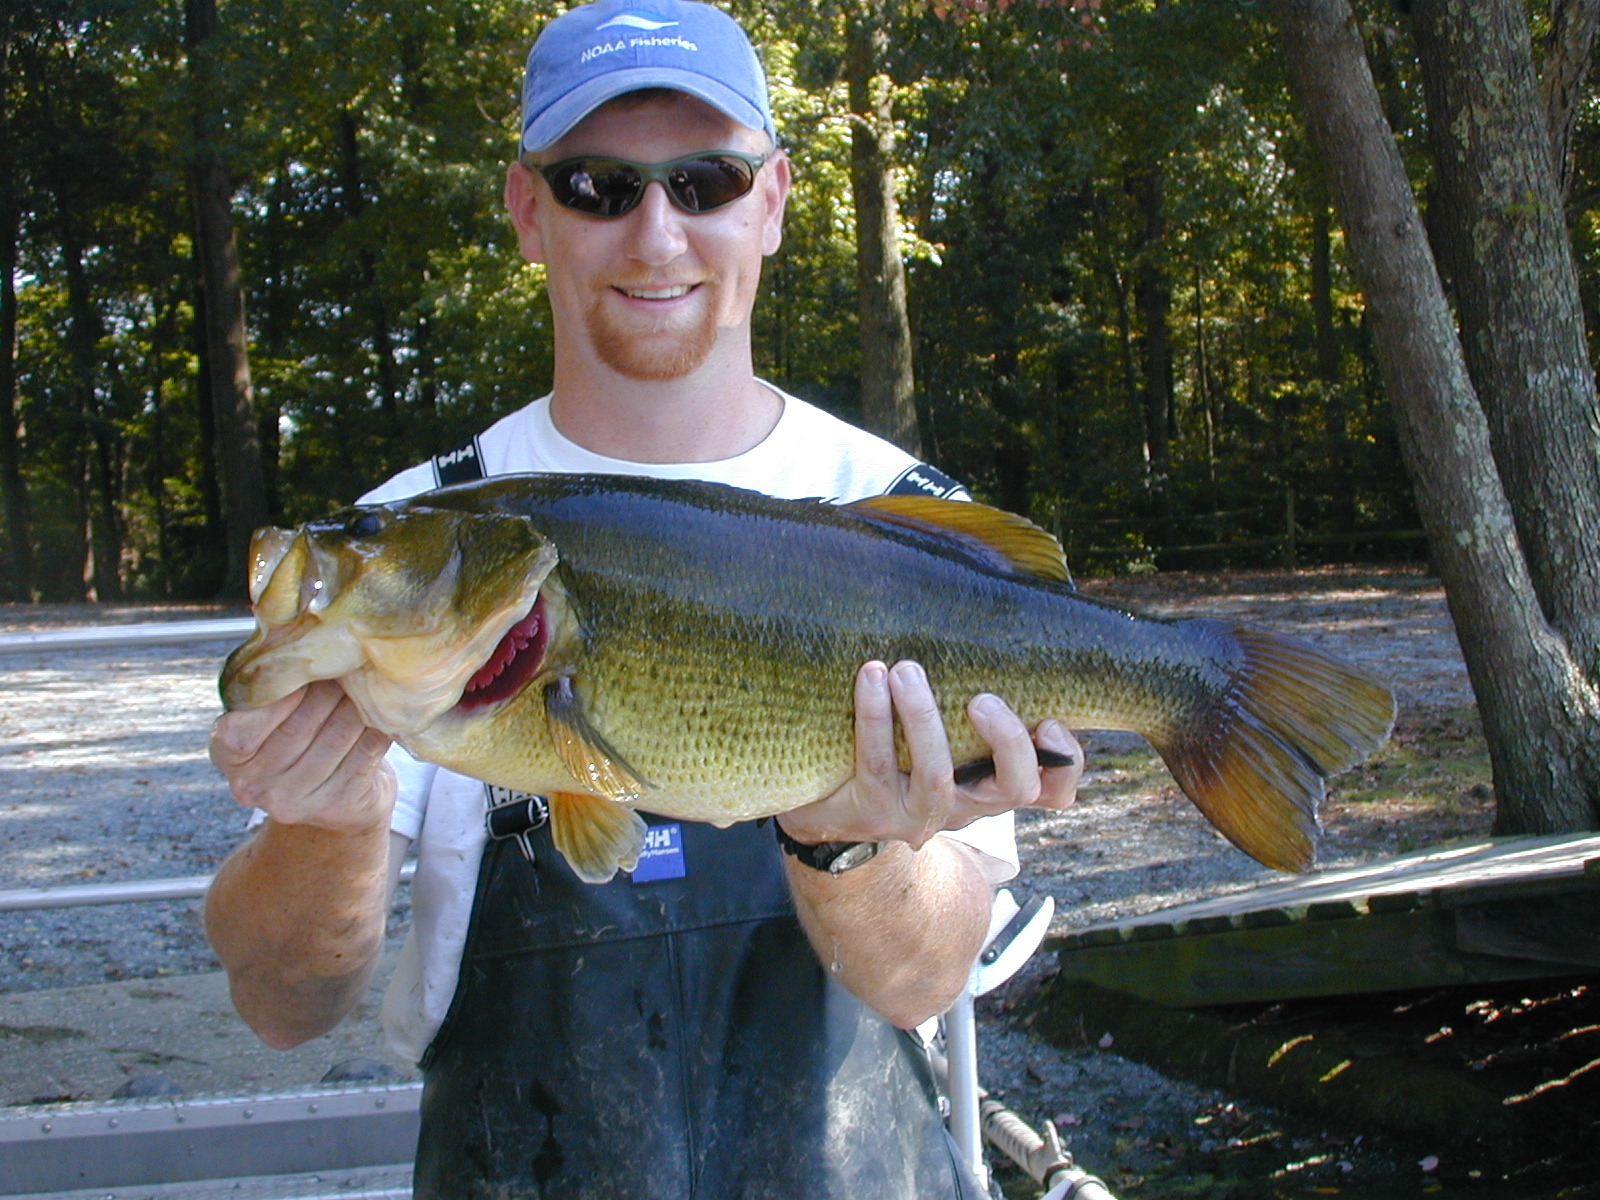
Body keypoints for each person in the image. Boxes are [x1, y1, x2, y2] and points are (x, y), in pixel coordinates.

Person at [205, 2, 1082, 1196]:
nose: (656, 234)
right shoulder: (423, 525)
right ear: (529, 211)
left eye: (705, 180)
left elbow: (924, 981)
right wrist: (330, 818)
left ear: (770, 202)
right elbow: (281, 1005)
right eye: (597, 187)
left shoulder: (899, 516)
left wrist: (847, 847)